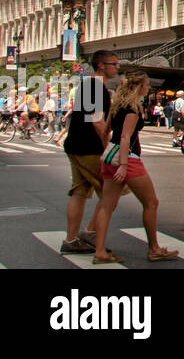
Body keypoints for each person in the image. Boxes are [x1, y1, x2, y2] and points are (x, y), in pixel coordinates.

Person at [88, 69, 179, 264]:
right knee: (151, 203)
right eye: (146, 85)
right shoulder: (133, 108)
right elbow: (125, 137)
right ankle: (153, 248)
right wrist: (123, 164)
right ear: (138, 87)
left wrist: (108, 154)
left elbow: (105, 131)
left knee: (106, 205)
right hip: (128, 160)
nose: (148, 88)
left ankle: (100, 251)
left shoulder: (116, 106)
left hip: (110, 159)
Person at [59, 50, 119, 254]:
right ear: (101, 65)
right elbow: (97, 122)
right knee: (112, 191)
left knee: (79, 191)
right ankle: (91, 233)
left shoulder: (87, 86)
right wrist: (108, 150)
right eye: (114, 64)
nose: (117, 68)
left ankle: (71, 240)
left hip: (75, 146)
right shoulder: (95, 87)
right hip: (88, 148)